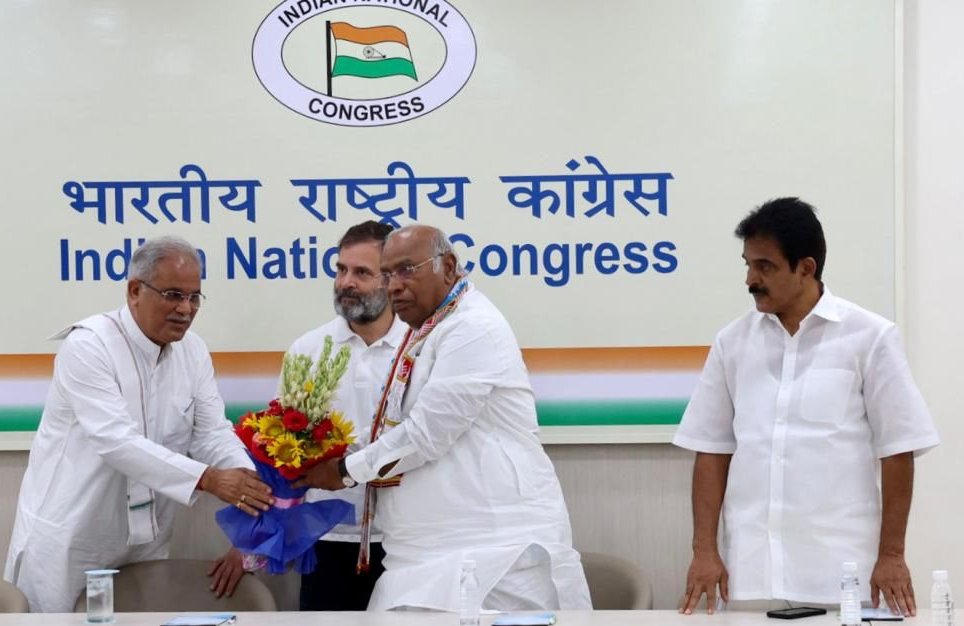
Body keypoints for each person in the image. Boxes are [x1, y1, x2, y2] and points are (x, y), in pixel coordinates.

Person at [296, 224, 592, 611]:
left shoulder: (473, 327)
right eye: (387, 274)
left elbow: (427, 434)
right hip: (422, 556)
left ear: (448, 266)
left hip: (490, 552)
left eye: (406, 270)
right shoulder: (423, 329)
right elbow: (397, 428)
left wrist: (346, 470)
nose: (394, 285)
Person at [673, 198, 939, 615]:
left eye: (765, 267)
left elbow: (899, 449)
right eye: (747, 264)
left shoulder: (869, 337)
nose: (750, 279)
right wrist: (704, 550)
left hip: (841, 577)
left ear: (806, 268)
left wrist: (891, 555)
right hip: (750, 577)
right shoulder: (732, 342)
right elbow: (711, 451)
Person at [3, 236, 274, 613]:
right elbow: (116, 442)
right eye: (173, 295)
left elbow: (212, 431)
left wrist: (249, 483)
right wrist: (209, 479)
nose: (186, 309)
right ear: (134, 290)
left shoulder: (192, 351)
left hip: (144, 542)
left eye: (194, 297)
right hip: (72, 540)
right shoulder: (89, 346)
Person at [212, 221, 408, 609]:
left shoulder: (419, 346)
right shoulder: (310, 349)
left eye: (362, 273)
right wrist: (250, 538)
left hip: (406, 538)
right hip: (327, 538)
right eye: (341, 269)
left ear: (391, 281)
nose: (346, 282)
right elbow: (278, 455)